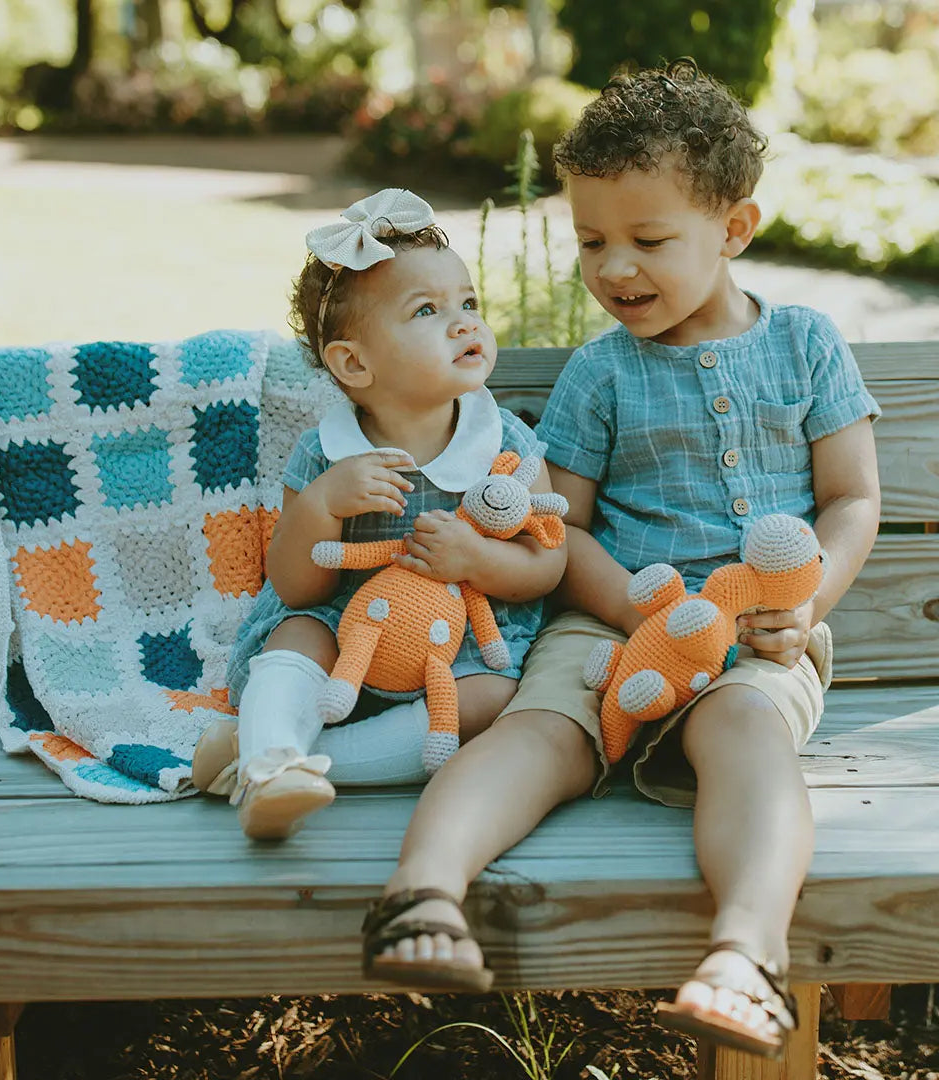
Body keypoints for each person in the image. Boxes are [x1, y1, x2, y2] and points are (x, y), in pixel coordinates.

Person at [359, 60, 881, 1059]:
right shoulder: (602, 373)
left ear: (733, 230)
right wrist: (629, 612)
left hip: (755, 638)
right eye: (592, 241)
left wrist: (809, 602)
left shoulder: (809, 345)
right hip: (607, 624)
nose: (614, 270)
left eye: (648, 241)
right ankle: (419, 898)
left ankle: (745, 957)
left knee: (746, 734)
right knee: (536, 732)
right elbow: (563, 524)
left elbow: (853, 497)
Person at [194, 188, 566, 846]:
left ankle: (272, 766)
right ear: (353, 363)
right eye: (428, 310)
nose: (463, 323)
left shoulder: (503, 441)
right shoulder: (328, 453)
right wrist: (320, 507)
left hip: (456, 649)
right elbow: (294, 586)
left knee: (490, 700)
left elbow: (548, 561)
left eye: (468, 303)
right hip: (348, 631)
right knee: (294, 640)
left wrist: (477, 559)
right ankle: (276, 749)